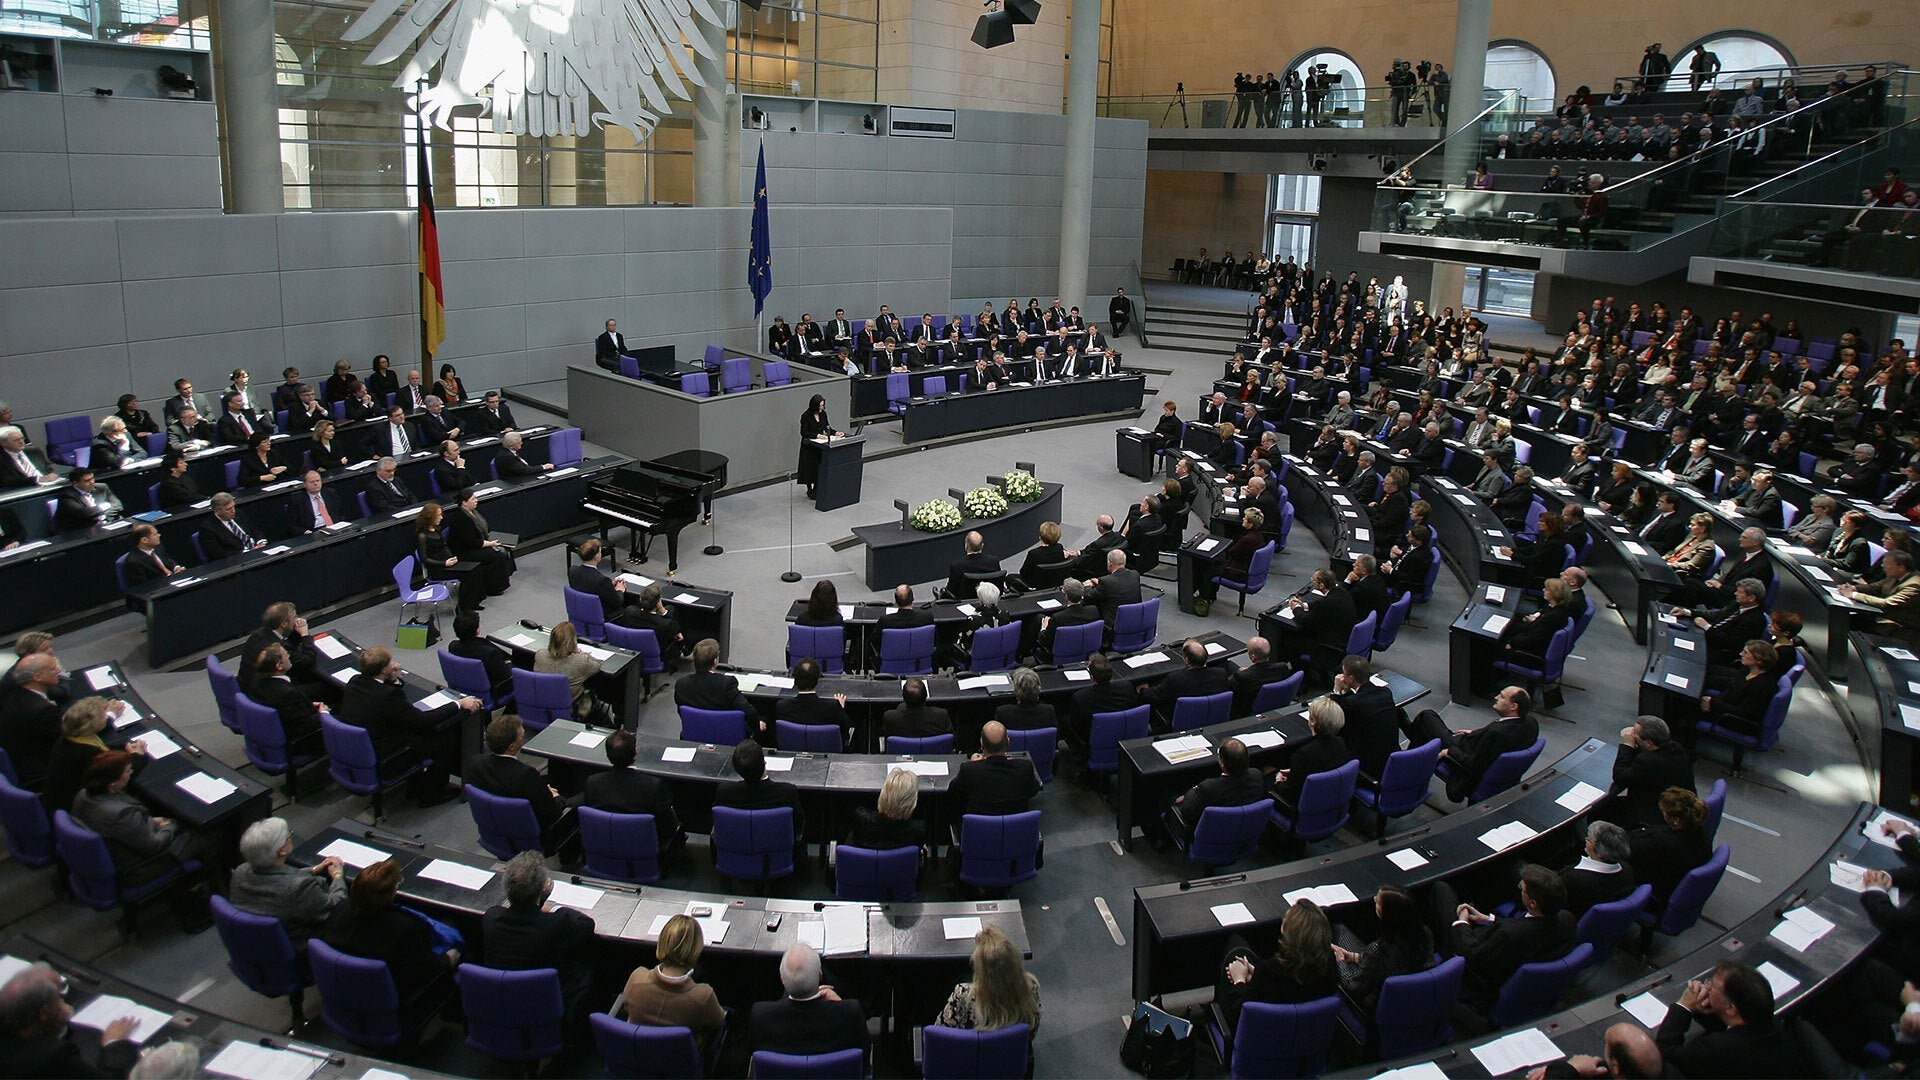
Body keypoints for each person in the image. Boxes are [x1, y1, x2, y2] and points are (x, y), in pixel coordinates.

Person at [340, 645, 475, 806]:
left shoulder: (355, 681)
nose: (394, 664)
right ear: (383, 669)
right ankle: (431, 793)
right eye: (390, 663)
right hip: (387, 753)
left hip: (365, 744)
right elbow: (422, 721)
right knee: (445, 738)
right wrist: (458, 704)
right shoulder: (388, 696)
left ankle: (416, 784)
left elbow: (385, 697)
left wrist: (394, 679)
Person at [323, 859, 459, 1011]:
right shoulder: (406, 929)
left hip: (344, 989)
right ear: (391, 893)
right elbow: (424, 970)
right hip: (393, 998)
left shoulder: (339, 909)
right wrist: (448, 958)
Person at [1434, 863, 1576, 1006]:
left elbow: (1472, 956)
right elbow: (1522, 927)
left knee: (1441, 888)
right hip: (1510, 959)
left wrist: (1462, 923)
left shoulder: (1510, 934)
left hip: (1476, 973)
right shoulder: (1566, 918)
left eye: (1522, 889)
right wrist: (1488, 919)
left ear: (1533, 903)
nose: (1519, 889)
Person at [483, 851, 595, 1020]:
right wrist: (552, 907)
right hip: (547, 1006)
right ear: (543, 889)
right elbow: (586, 924)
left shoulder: (491, 918)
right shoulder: (555, 924)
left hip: (504, 1003)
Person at [70, 751, 209, 887]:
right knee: (208, 833)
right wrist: (171, 824)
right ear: (112, 782)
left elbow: (120, 827)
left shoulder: (83, 794)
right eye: (127, 771)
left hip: (115, 850)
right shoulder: (121, 814)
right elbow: (155, 846)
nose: (131, 773)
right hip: (139, 866)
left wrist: (152, 820)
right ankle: (201, 885)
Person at [1655, 960, 1814, 1077]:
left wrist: (1684, 1006)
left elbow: (1664, 1052)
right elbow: (1728, 1027)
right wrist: (1703, 1008)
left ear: (1731, 1008)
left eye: (1712, 986)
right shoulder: (1772, 1024)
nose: (1707, 986)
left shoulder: (1714, 1049)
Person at [0, 963, 142, 1078]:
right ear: (44, 1013)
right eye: (59, 1000)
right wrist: (114, 1042)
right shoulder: (52, 1055)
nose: (64, 1004)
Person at [1216, 900, 1339, 1030]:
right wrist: (1255, 974)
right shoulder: (1329, 963)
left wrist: (1239, 979)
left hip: (1263, 1036)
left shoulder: (1269, 970)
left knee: (1235, 946)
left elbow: (1246, 1009)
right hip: (1309, 1034)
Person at [467, 715, 579, 854]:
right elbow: (553, 811)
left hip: (497, 826)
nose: (524, 733)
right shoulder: (525, 775)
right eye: (521, 734)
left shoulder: (475, 763)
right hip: (535, 833)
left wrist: (540, 789)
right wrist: (554, 796)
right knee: (584, 797)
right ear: (512, 746)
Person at [227, 817, 346, 945]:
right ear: (281, 851)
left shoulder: (240, 871)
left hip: (253, 942)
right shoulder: (299, 887)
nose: (290, 837)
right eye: (288, 836)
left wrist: (314, 869)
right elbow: (335, 908)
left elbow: (277, 877)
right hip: (297, 947)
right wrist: (338, 876)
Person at [1409, 685, 1538, 802]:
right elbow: (1500, 738)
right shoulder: (1531, 722)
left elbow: (1473, 764)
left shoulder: (1496, 733)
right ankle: (1411, 756)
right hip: (1475, 745)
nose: (1496, 697)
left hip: (1460, 752)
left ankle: (1409, 765)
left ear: (1513, 707)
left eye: (1502, 697)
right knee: (1424, 730)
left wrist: (1449, 752)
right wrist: (1476, 733)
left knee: (1427, 716)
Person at [621, 914, 726, 1051]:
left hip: (633, 1058)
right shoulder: (703, 997)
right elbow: (719, 1023)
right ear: (696, 950)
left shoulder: (636, 979)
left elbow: (626, 1008)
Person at [749, 944, 868, 1057]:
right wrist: (841, 1006)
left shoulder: (761, 1015)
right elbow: (865, 1052)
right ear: (820, 976)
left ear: (782, 979)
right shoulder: (851, 1012)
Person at [1332, 885, 1435, 1014]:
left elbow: (1354, 989)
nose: (1374, 899)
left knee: (1338, 930)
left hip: (1383, 1007)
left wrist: (1340, 961)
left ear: (1385, 913)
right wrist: (1353, 957)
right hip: (1416, 998)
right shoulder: (1424, 933)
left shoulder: (1379, 950)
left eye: (1378, 901)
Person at [584, 727, 683, 850]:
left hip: (605, 849)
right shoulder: (653, 787)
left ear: (607, 755)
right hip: (644, 854)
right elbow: (669, 827)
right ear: (636, 753)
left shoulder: (592, 783)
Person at [936, 925, 1042, 1036]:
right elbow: (1031, 1032)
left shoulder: (964, 995)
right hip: (1012, 1051)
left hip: (972, 1052)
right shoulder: (1031, 988)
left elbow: (940, 1034)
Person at [40, 697, 136, 818]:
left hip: (54, 802)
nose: (105, 718)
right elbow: (119, 772)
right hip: (76, 811)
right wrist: (137, 755)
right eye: (103, 717)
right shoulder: (92, 754)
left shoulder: (68, 738)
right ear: (93, 726)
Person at [1165, 737, 1270, 845]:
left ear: (1222, 764)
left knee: (1169, 795)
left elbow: (1187, 811)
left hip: (1207, 836)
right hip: (1240, 830)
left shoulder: (1208, 788)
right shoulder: (1256, 775)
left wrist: (1193, 790)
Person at [1630, 787, 1714, 911]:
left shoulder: (1663, 843)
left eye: (1664, 811)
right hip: (1674, 882)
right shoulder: (1701, 832)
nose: (1662, 813)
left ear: (1676, 820)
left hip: (1654, 894)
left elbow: (1627, 849)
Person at [1603, 716, 1694, 828]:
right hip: (1678, 807)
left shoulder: (1648, 762)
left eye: (1635, 733)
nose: (1632, 734)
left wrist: (1628, 745)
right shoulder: (1676, 749)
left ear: (1649, 743)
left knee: (1601, 810)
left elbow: (1620, 776)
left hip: (1654, 814)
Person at [1273, 696, 1354, 810]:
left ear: (1312, 721)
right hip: (1330, 802)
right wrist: (1296, 772)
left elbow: (1291, 794)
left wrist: (1278, 782)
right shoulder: (1340, 743)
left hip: (1305, 810)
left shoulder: (1303, 754)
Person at [715, 739, 806, 839]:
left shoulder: (724, 792)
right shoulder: (787, 793)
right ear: (764, 762)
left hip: (738, 845)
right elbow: (798, 823)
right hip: (775, 850)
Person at [0, 654, 65, 791]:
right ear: (37, 677)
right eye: (52, 669)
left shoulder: (17, 696)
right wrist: (108, 715)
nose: (58, 670)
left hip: (25, 763)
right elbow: (72, 737)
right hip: (45, 773)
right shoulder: (43, 710)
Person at [948, 721, 1041, 817]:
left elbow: (953, 791)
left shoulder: (969, 770)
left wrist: (973, 764)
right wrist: (1016, 764)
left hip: (980, 829)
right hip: (1016, 829)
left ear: (982, 744)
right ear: (1008, 742)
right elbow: (1034, 790)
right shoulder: (1025, 767)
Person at [247, 644, 325, 756]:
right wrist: (324, 713)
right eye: (286, 656)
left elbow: (287, 709)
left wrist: (307, 705)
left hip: (276, 730)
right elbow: (307, 726)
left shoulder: (256, 680)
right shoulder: (287, 693)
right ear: (279, 666)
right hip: (303, 741)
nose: (289, 656)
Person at [1142, 639, 1232, 730]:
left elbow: (1154, 696)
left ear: (1187, 660)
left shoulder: (1176, 679)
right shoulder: (1221, 674)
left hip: (1183, 723)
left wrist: (1143, 690)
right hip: (1214, 720)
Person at [847, 767, 927, 863]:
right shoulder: (917, 829)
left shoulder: (861, 819)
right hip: (899, 875)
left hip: (863, 872)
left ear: (884, 794)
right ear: (912, 803)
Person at [448, 487, 516, 597]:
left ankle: (504, 576)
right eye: (473, 499)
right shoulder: (461, 518)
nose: (476, 501)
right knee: (498, 554)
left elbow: (484, 529)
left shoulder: (474, 512)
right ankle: (494, 587)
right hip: (466, 552)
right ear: (464, 503)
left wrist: (491, 539)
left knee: (506, 547)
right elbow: (471, 542)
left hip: (479, 543)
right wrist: (491, 544)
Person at [1560, 820, 1638, 917]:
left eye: (1589, 839)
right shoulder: (1626, 869)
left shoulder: (1574, 879)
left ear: (1600, 853)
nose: (1586, 839)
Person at [674, 638, 757, 721]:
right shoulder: (726, 683)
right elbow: (747, 710)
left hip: (693, 732)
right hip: (725, 732)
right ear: (715, 661)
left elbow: (682, 713)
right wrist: (758, 723)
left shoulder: (681, 684)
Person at [775, 658, 850, 748]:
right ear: (817, 680)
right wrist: (840, 708)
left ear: (795, 680)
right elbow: (845, 730)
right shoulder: (833, 707)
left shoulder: (782, 706)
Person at [612, 583, 689, 669]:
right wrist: (663, 610)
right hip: (657, 652)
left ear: (640, 599)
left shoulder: (629, 611)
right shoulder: (665, 623)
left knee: (670, 610)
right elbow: (678, 634)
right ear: (658, 603)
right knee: (671, 612)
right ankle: (685, 649)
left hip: (632, 648)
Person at [448, 610, 514, 703]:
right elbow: (506, 676)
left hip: (464, 686)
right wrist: (509, 664)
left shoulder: (453, 646)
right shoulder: (489, 653)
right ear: (477, 630)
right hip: (492, 691)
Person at [568, 538, 638, 614]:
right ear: (597, 556)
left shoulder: (572, 570)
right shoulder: (602, 580)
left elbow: (587, 586)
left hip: (581, 610)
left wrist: (609, 586)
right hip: (601, 615)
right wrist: (620, 589)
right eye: (600, 552)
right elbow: (617, 602)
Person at [1228, 636, 1293, 717]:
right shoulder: (1283, 667)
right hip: (1274, 703)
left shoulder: (1243, 677)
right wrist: (1250, 669)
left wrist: (1243, 672)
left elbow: (1227, 687)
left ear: (1253, 657)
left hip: (1245, 711)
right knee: (1229, 665)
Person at [797, 394, 843, 499]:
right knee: (809, 469)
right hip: (808, 446)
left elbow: (827, 428)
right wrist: (817, 435)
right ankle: (810, 490)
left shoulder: (823, 414)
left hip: (819, 446)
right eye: (821, 405)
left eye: (823, 405)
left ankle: (817, 489)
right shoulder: (806, 416)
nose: (822, 407)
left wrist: (835, 433)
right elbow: (804, 432)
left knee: (819, 468)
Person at [1085, 547, 1143, 627]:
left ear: (1109, 563)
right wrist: (1100, 583)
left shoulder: (1106, 582)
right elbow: (1119, 584)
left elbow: (1088, 598)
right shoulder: (1135, 574)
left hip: (1113, 626)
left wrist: (1086, 587)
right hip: (1134, 620)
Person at [881, 677, 951, 741]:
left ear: (903, 697)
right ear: (926, 696)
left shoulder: (890, 717)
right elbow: (952, 739)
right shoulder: (941, 716)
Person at [53, 468, 123, 531]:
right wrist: (103, 507)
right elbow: (84, 514)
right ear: (75, 484)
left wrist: (104, 516)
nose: (92, 482)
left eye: (92, 478)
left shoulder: (102, 487)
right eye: (87, 481)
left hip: (108, 522)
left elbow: (117, 505)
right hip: (84, 530)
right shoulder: (67, 497)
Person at [945, 530, 1001, 600]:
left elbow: (951, 590)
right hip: (990, 599)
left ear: (966, 546)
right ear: (982, 546)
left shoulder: (957, 566)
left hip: (964, 603)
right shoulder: (994, 562)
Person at [1015, 521, 1067, 587]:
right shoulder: (1059, 547)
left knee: (1010, 577)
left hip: (1036, 584)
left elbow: (1023, 573)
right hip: (1055, 580)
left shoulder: (1034, 554)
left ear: (1040, 537)